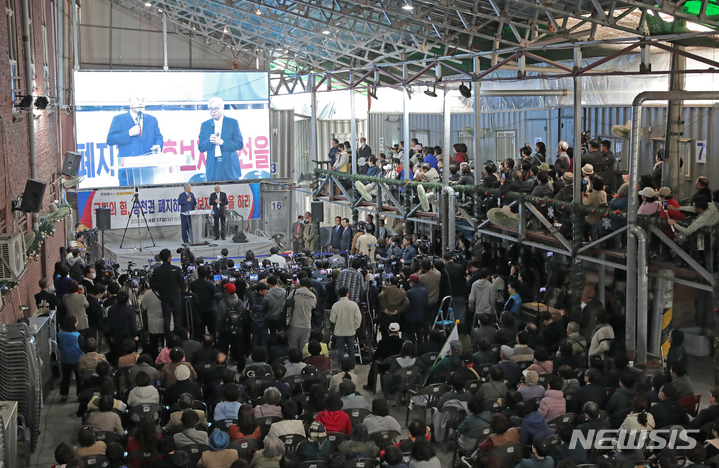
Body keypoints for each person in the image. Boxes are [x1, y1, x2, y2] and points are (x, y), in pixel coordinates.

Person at [106, 96, 163, 186]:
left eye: (143, 100)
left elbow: (158, 137)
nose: (141, 103)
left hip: (148, 169)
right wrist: (128, 133)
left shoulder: (152, 119)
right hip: (127, 171)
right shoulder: (119, 119)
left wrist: (158, 145)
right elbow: (110, 139)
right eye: (137, 99)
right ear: (129, 101)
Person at [198, 96, 244, 181]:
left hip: (230, 166)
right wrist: (209, 141)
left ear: (222, 108)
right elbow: (201, 147)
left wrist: (222, 142)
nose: (213, 111)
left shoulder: (232, 123)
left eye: (216, 108)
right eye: (211, 109)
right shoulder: (205, 125)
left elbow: (239, 144)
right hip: (213, 167)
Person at [150, 249, 187, 340]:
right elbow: (183, 284)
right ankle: (178, 338)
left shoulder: (157, 270)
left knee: (166, 318)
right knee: (177, 318)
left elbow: (152, 285)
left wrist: (160, 291)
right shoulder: (177, 269)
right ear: (170, 258)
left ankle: (168, 338)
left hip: (164, 297)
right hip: (176, 297)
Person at [330, 286, 362, 369]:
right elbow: (358, 318)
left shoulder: (336, 305)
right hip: (351, 330)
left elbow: (332, 320)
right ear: (347, 294)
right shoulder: (354, 304)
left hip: (339, 331)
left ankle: (341, 366)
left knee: (340, 349)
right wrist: (356, 327)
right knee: (351, 349)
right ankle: (352, 366)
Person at [216, 283, 247, 368]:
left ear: (226, 291)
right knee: (239, 348)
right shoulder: (239, 302)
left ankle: (222, 366)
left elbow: (219, 318)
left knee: (223, 349)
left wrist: (218, 329)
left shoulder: (222, 303)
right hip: (238, 329)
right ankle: (241, 366)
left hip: (225, 330)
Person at [58, 316, 84, 401]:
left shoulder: (60, 334)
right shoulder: (77, 335)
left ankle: (64, 394)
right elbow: (83, 346)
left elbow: (59, 345)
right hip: (78, 359)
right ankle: (80, 394)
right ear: (74, 324)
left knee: (66, 377)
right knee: (79, 378)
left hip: (65, 358)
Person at [287, 279, 317, 350]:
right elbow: (313, 307)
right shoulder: (313, 296)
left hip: (294, 323)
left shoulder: (294, 292)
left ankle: (293, 360)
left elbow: (286, 303)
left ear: (299, 284)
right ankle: (303, 360)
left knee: (292, 346)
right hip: (306, 325)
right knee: (304, 348)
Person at [404, 274, 428, 344]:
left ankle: (413, 347)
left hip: (411, 316)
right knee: (420, 332)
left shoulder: (409, 292)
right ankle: (420, 346)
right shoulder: (424, 291)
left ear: (412, 282)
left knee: (412, 334)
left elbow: (406, 304)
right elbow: (426, 303)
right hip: (421, 315)